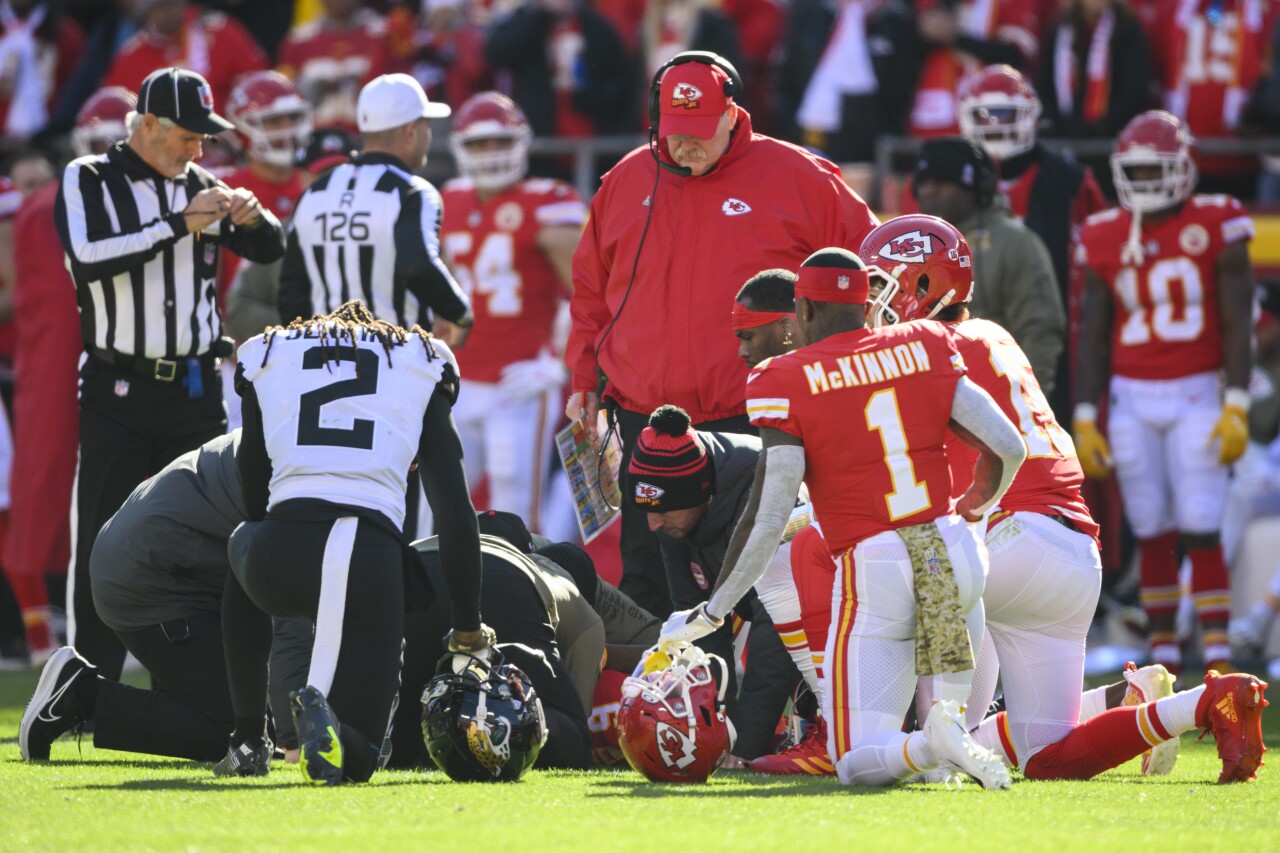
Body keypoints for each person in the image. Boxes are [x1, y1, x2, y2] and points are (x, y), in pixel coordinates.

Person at [864, 213, 1269, 785]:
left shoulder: (926, 346)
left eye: (882, 286)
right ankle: (1203, 702)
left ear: (925, 286)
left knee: (892, 581)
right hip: (1072, 552)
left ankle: (874, 738)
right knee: (1047, 755)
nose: (872, 302)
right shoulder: (992, 334)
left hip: (1014, 535)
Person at [659, 247, 1027, 790]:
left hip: (877, 562)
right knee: (939, 763)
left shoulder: (783, 378)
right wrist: (975, 508)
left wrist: (713, 612)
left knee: (854, 761)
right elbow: (1008, 446)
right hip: (951, 550)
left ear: (802, 312)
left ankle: (931, 741)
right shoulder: (924, 342)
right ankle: (944, 739)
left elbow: (769, 517)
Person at [567, 51, 879, 617]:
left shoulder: (800, 177)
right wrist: (583, 377)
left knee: (768, 578)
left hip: (753, 417)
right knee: (648, 577)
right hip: (644, 418)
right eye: (674, 133)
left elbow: (869, 266)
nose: (686, 146)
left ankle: (758, 705)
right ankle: (652, 700)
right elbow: (590, 291)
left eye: (699, 132)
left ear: (733, 114)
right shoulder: (626, 180)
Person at [54, 67, 286, 681]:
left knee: (213, 533)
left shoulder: (203, 181)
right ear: (147, 125)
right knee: (102, 538)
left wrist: (254, 217)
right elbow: (89, 258)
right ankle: (85, 686)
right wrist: (179, 223)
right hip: (117, 388)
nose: (197, 149)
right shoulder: (90, 179)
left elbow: (271, 250)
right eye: (187, 135)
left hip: (195, 390)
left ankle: (204, 683)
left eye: (204, 138)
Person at [222, 300, 490, 786]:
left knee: (243, 538)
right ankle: (335, 733)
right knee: (360, 757)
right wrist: (468, 628)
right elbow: (454, 511)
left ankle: (246, 737)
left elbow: (253, 491)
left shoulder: (267, 353)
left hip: (279, 552)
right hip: (369, 558)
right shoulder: (421, 361)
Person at [1074, 110, 1256, 675]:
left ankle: (1220, 659)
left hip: (1197, 392)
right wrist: (1084, 415)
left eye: (1158, 171)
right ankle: (1163, 658)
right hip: (1132, 395)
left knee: (1201, 522)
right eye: (1138, 172)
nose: (1147, 184)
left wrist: (1237, 404)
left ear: (1184, 168)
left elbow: (1236, 326)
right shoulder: (1105, 233)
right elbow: (1094, 334)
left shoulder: (1217, 222)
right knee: (1150, 527)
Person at [20, 432, 245, 765]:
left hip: (162, 565)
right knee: (234, 733)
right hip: (150, 573)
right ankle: (79, 694)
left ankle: (80, 693)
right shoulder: (296, 470)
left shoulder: (285, 442)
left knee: (252, 723)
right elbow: (284, 603)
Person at [625, 403, 806, 764]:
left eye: (661, 510)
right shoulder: (677, 509)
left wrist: (740, 743)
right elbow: (697, 628)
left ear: (699, 494)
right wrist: (713, 730)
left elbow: (777, 633)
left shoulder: (764, 490)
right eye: (647, 510)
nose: (653, 525)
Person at [440, 92, 585, 533]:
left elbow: (591, 293)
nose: (491, 154)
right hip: (460, 376)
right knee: (442, 501)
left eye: (501, 142)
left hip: (519, 378)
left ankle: (529, 597)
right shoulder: (450, 199)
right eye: (480, 145)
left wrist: (560, 364)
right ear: (460, 148)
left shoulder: (549, 201)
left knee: (517, 504)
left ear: (522, 143)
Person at [956, 64, 1108, 422]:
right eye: (985, 115)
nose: (995, 124)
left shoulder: (1069, 182)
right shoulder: (949, 181)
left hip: (1054, 323)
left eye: (1004, 114)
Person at [277, 73, 472, 344]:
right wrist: (459, 312)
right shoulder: (413, 191)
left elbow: (291, 290)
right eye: (426, 124)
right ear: (411, 131)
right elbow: (416, 265)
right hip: (396, 361)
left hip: (326, 363)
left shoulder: (316, 191)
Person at [913, 137, 1064, 396]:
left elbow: (1040, 331)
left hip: (997, 399)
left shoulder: (1016, 243)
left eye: (941, 182)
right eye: (923, 183)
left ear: (977, 188)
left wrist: (1026, 403)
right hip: (933, 403)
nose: (929, 191)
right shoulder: (914, 246)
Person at [220, 70, 311, 313]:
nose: (287, 129)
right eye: (273, 120)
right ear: (243, 127)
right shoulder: (221, 187)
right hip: (236, 326)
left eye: (292, 118)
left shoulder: (318, 183)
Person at [102, 0, 268, 114]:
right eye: (162, 6)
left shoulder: (222, 32)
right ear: (147, 12)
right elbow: (114, 110)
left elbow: (260, 85)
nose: (171, 11)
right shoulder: (131, 57)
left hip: (229, 148)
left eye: (175, 3)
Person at [276, 0, 391, 133]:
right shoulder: (297, 40)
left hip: (372, 136)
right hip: (314, 139)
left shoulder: (385, 35)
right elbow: (284, 99)